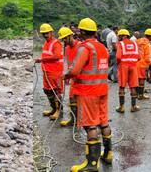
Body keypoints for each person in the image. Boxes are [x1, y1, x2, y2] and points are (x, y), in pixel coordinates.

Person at [64, 18, 113, 171]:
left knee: (90, 125)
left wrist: (65, 75)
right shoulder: (102, 48)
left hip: (88, 92)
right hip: (102, 90)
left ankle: (92, 164)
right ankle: (107, 154)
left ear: (83, 32)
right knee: (103, 122)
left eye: (79, 30)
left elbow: (75, 70)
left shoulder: (85, 48)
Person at [35, 23, 64, 120]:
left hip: (55, 71)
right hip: (46, 72)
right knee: (48, 91)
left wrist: (42, 60)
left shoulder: (56, 43)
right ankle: (53, 108)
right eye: (43, 34)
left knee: (56, 91)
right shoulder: (46, 43)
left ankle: (58, 110)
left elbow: (56, 56)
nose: (45, 35)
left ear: (51, 32)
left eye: (46, 33)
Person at [58, 26, 79, 127]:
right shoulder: (66, 48)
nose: (64, 40)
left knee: (83, 100)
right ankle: (74, 120)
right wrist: (67, 76)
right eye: (63, 39)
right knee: (72, 98)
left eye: (65, 38)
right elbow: (68, 63)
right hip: (73, 76)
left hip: (82, 77)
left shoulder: (80, 46)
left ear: (71, 35)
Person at [115, 29, 139, 113]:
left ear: (123, 36)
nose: (118, 38)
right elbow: (139, 57)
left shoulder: (120, 44)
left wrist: (119, 63)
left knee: (122, 86)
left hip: (123, 66)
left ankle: (121, 107)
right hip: (133, 66)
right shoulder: (135, 43)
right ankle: (133, 106)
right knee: (133, 86)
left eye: (119, 36)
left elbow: (118, 57)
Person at [137, 28, 151, 100]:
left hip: (136, 62)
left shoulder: (138, 41)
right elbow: (148, 57)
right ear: (150, 36)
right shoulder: (148, 44)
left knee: (137, 79)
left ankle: (136, 94)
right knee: (142, 79)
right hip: (143, 64)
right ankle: (141, 95)